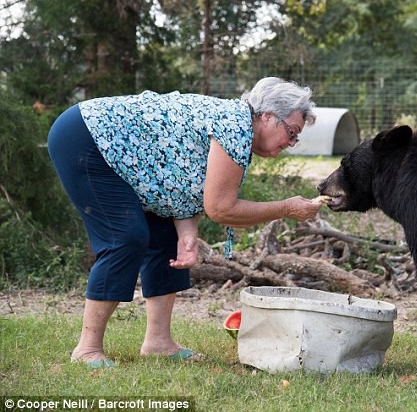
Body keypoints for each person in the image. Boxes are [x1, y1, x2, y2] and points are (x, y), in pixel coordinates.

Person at [48, 77, 322, 368]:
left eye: (296, 137)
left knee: (166, 237)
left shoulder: (236, 124)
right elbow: (221, 209)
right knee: (125, 237)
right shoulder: (236, 126)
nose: (291, 143)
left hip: (120, 157)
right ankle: (87, 349)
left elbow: (182, 178)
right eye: (291, 132)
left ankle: (158, 343)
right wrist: (286, 208)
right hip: (85, 138)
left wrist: (187, 232)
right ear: (267, 116)